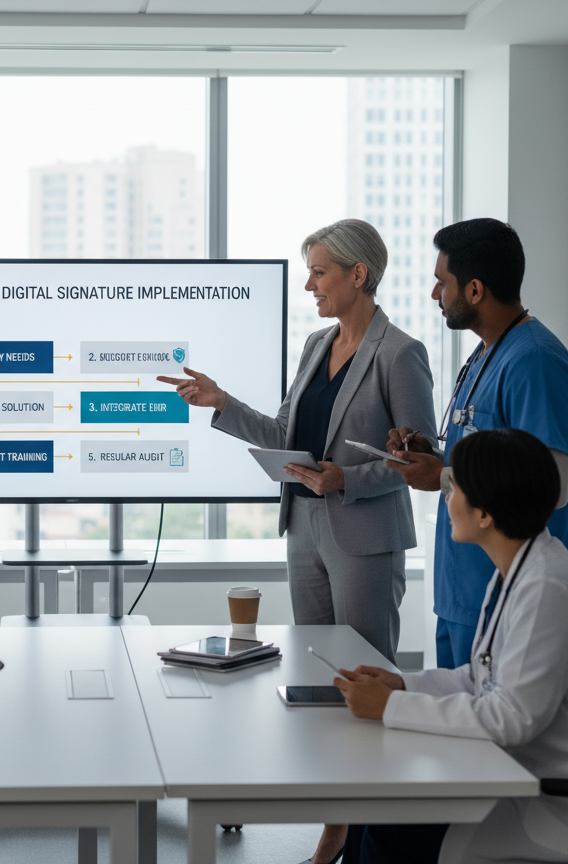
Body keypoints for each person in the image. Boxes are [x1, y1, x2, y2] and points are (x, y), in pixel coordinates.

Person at [159, 219, 435, 864]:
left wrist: (348, 476)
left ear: (357, 274)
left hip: (363, 531)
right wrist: (220, 402)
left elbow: (417, 461)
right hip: (306, 526)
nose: (309, 284)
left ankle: (364, 829)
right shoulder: (316, 344)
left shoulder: (400, 354)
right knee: (320, 676)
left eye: (319, 272)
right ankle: (337, 819)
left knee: (367, 677)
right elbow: (286, 427)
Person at [334, 428, 568, 864]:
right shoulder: (521, 567)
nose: (447, 499)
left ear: (486, 513)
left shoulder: (548, 587)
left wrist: (388, 708)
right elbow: (481, 677)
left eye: (454, 488)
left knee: (391, 827)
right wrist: (402, 685)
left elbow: (511, 718)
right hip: (541, 777)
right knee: (379, 809)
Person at [386, 218, 568, 670]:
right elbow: (492, 459)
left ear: (475, 290)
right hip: (463, 594)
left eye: (442, 283)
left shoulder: (534, 361)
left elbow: (551, 484)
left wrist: (440, 476)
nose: (434, 295)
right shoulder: (487, 352)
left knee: (496, 735)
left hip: (515, 602)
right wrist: (435, 455)